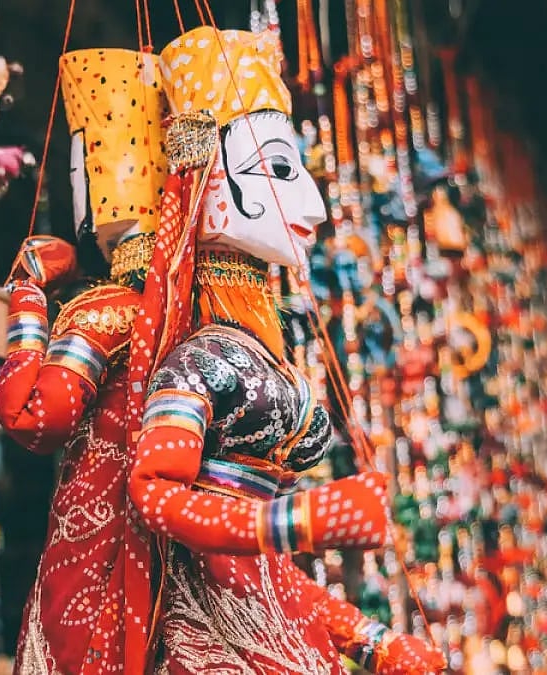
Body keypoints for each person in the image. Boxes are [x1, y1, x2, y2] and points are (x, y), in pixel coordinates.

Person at [123, 26, 443, 674]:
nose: (316, 206)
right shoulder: (199, 361)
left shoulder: (262, 352)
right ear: (209, 185)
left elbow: (271, 579)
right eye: (278, 169)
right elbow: (152, 493)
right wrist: (302, 519)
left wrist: (372, 638)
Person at [0, 47, 166, 674]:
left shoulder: (108, 309)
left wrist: (28, 292)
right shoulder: (188, 305)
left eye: (78, 165)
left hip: (97, 556)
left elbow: (30, 416)